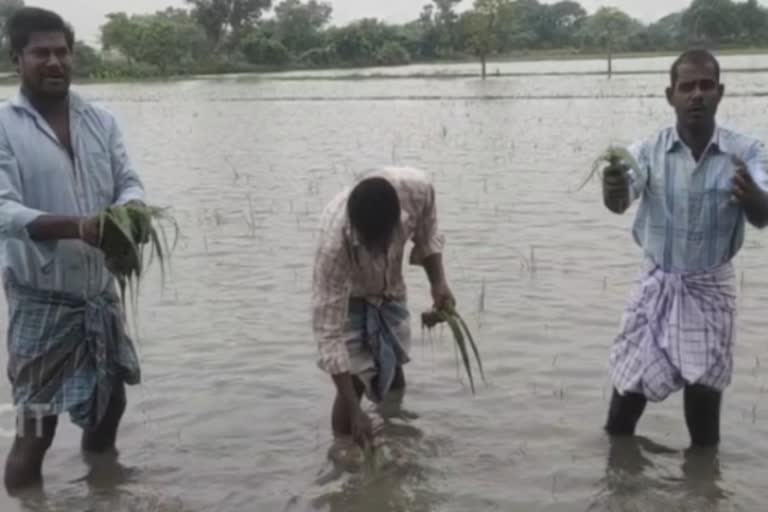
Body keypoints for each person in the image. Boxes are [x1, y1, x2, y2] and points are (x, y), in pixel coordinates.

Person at [0, 8, 146, 491]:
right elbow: (3, 209)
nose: (54, 61)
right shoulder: (4, 126)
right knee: (36, 429)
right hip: (41, 299)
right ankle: (26, 501)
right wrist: (76, 226)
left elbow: (128, 181)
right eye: (41, 53)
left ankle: (103, 488)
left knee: (111, 405)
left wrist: (129, 213)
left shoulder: (99, 120)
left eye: (62, 51)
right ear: (16, 58)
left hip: (98, 294)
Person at [601, 49, 768, 448]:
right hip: (655, 285)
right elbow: (620, 201)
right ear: (670, 95)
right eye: (687, 87)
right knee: (626, 396)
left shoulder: (746, 152)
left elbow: (763, 217)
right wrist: (614, 190)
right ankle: (619, 481)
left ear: (720, 93)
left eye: (706, 86)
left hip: (711, 288)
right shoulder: (648, 152)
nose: (697, 95)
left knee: (704, 404)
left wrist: (751, 197)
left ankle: (701, 489)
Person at [312, 166, 455, 448]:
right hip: (350, 293)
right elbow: (328, 336)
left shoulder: (418, 191)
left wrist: (438, 283)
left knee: (393, 363)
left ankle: (396, 434)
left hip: (389, 289)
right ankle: (344, 455)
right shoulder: (334, 245)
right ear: (357, 231)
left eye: (383, 244)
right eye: (369, 246)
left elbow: (427, 236)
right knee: (353, 380)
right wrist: (356, 411)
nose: (377, 252)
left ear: (395, 225)